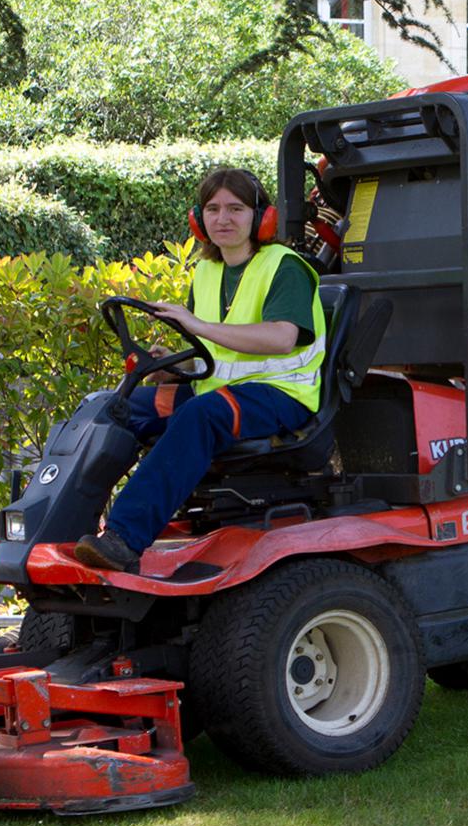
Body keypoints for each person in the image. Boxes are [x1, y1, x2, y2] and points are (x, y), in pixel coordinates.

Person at [74, 167, 325, 572]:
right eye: (212, 209)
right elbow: (212, 351)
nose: (223, 218)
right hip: (217, 391)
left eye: (235, 208)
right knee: (111, 407)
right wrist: (176, 364)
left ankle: (124, 538)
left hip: (280, 396)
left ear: (262, 217)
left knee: (199, 416)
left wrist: (196, 325)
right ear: (198, 219)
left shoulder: (285, 267)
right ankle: (49, 522)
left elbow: (282, 338)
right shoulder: (208, 271)